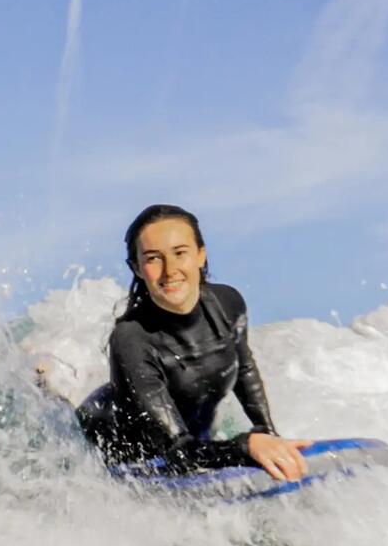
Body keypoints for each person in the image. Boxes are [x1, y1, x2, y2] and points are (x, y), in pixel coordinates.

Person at [75, 204, 312, 481]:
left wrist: (269, 436)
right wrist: (244, 447)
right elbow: (178, 453)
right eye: (153, 258)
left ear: (201, 255)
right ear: (137, 268)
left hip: (187, 442)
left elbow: (244, 369)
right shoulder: (132, 339)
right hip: (111, 446)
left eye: (180, 253)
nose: (170, 270)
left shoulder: (227, 304)